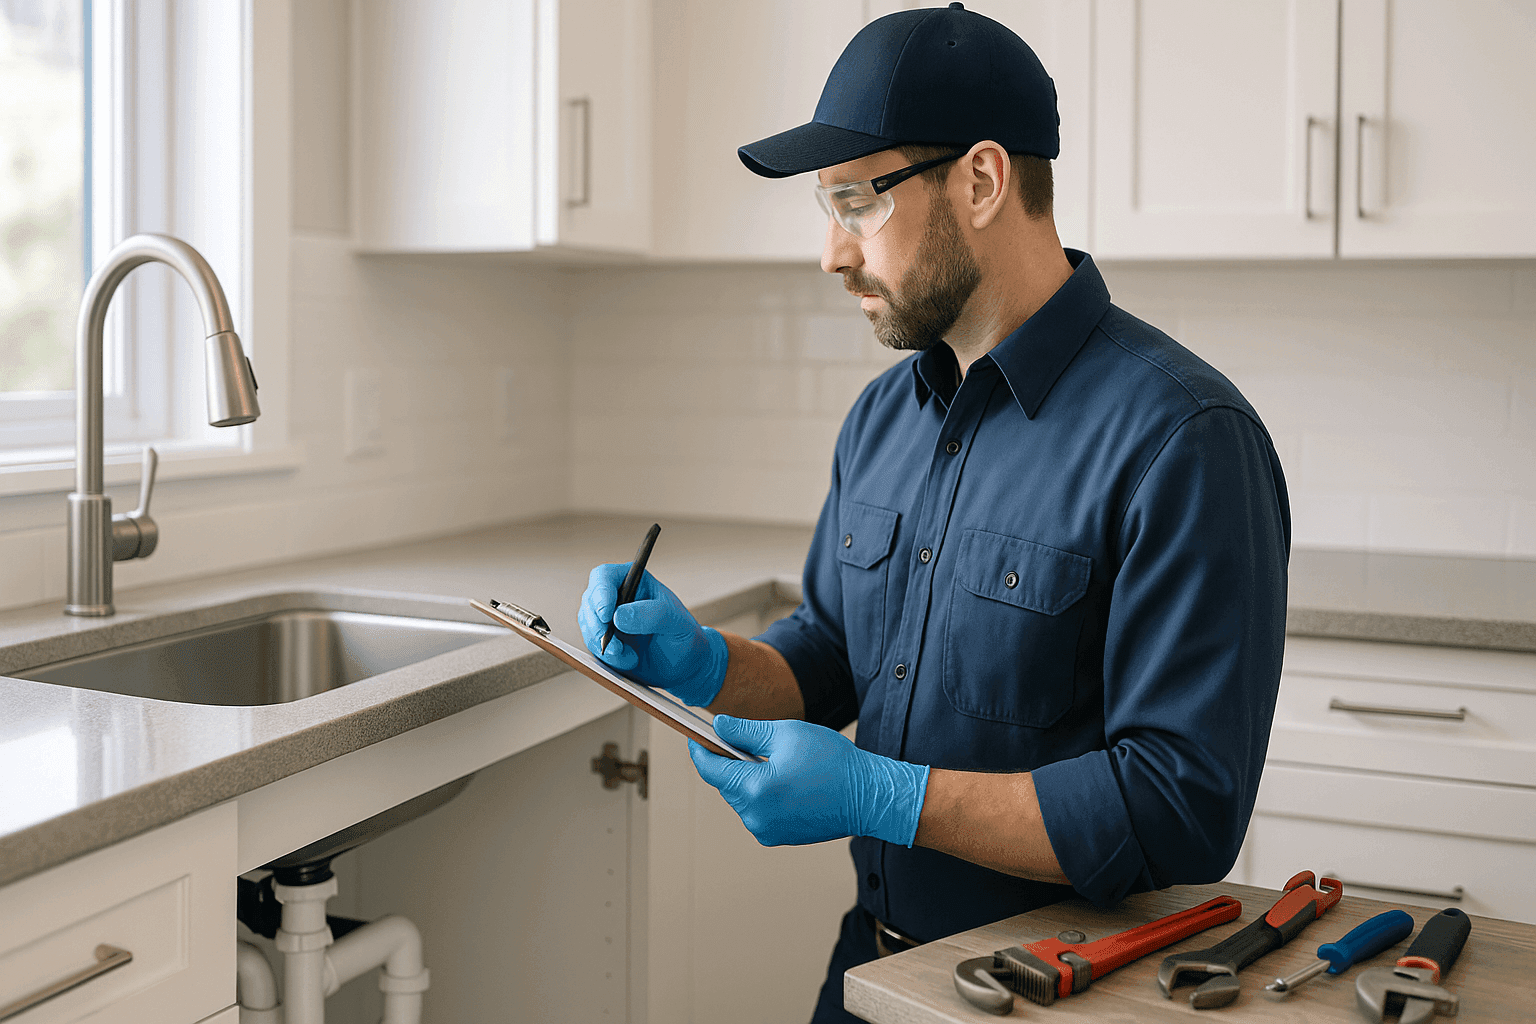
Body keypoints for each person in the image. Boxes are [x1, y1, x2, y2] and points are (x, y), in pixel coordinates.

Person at [578, 5, 1289, 1021]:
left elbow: (1179, 805)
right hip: (867, 970)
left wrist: (883, 794)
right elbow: (829, 655)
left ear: (983, 180)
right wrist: (703, 662)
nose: (832, 253)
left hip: (1058, 994)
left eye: (857, 202)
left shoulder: (1184, 436)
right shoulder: (884, 415)